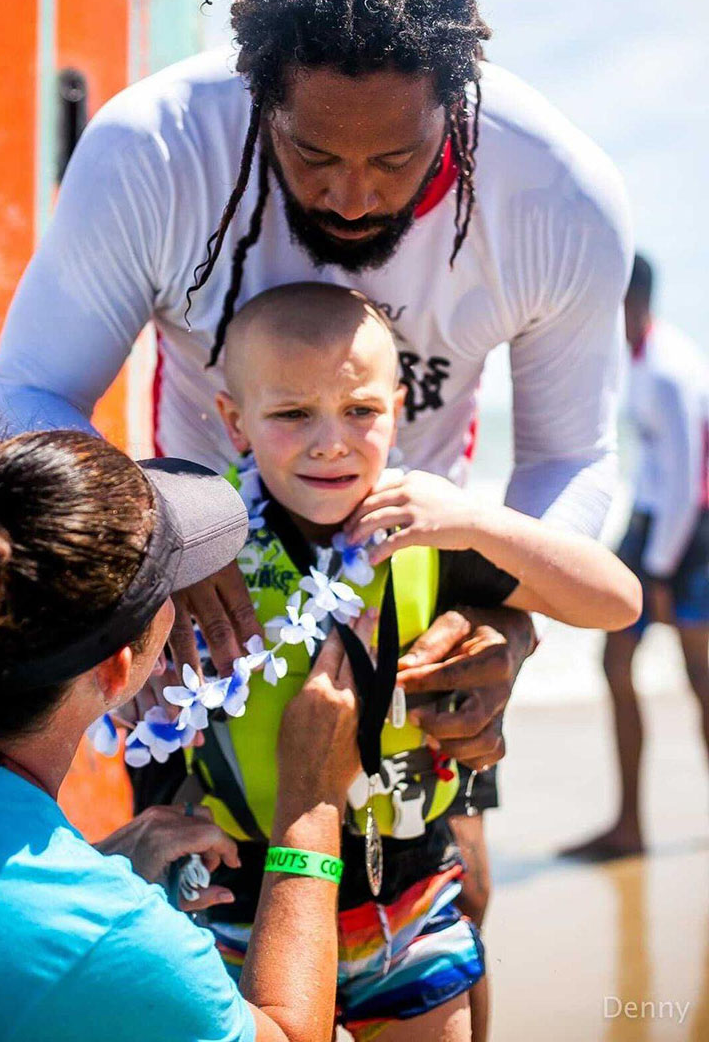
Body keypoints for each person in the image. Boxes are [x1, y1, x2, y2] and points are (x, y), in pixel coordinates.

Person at [0, 0, 632, 931]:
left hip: (409, 581)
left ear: (453, 108)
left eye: (396, 159)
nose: (353, 196)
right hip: (204, 605)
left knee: (446, 896)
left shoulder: (554, 195)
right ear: (257, 100)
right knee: (206, 908)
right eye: (312, 155)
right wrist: (163, 540)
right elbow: (26, 396)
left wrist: (504, 614)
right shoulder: (154, 150)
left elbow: (571, 453)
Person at [171, 283, 639, 1040]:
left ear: (399, 406)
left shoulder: (434, 529)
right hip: (245, 909)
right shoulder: (204, 544)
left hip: (412, 902)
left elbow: (615, 601)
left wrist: (482, 521)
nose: (331, 442)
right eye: (292, 414)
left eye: (360, 411)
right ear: (235, 420)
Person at [0, 430, 364, 1042]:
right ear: (115, 669)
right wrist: (311, 803)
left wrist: (90, 874)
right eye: (173, 585)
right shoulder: (122, 936)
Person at [563, 254, 709, 860]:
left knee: (701, 676)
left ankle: (630, 826)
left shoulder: (673, 369)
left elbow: (689, 481)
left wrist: (661, 568)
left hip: (688, 534)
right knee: (615, 658)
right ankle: (628, 825)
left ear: (634, 301)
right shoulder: (640, 359)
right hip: (652, 526)